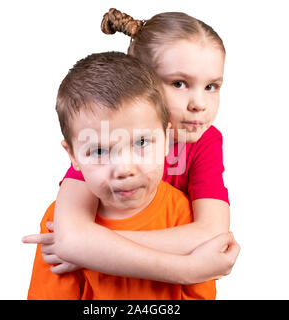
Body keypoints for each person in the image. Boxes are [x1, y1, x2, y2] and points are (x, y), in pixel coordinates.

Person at [24, 8, 239, 286]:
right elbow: (71, 237)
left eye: (212, 86)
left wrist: (92, 251)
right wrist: (188, 268)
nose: (199, 103)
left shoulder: (206, 141)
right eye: (179, 83)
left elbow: (213, 233)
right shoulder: (100, 140)